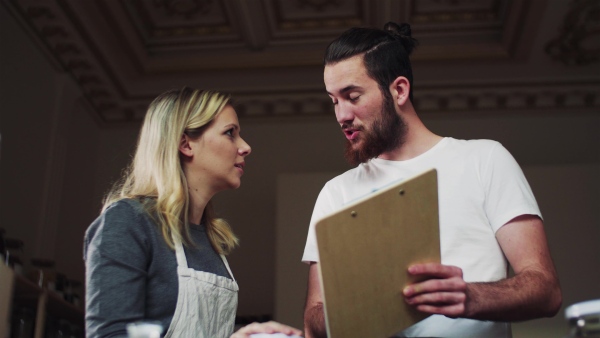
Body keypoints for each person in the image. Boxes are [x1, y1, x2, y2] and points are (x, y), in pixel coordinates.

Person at [302, 22, 562, 337]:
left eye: (352, 96)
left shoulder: (484, 160)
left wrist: (471, 296)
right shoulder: (336, 193)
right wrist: (365, 305)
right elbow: (312, 319)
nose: (341, 115)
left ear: (399, 90)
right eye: (334, 100)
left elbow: (546, 291)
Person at [84, 87, 302, 338]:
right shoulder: (127, 222)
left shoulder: (209, 240)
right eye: (230, 133)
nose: (246, 147)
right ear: (186, 144)